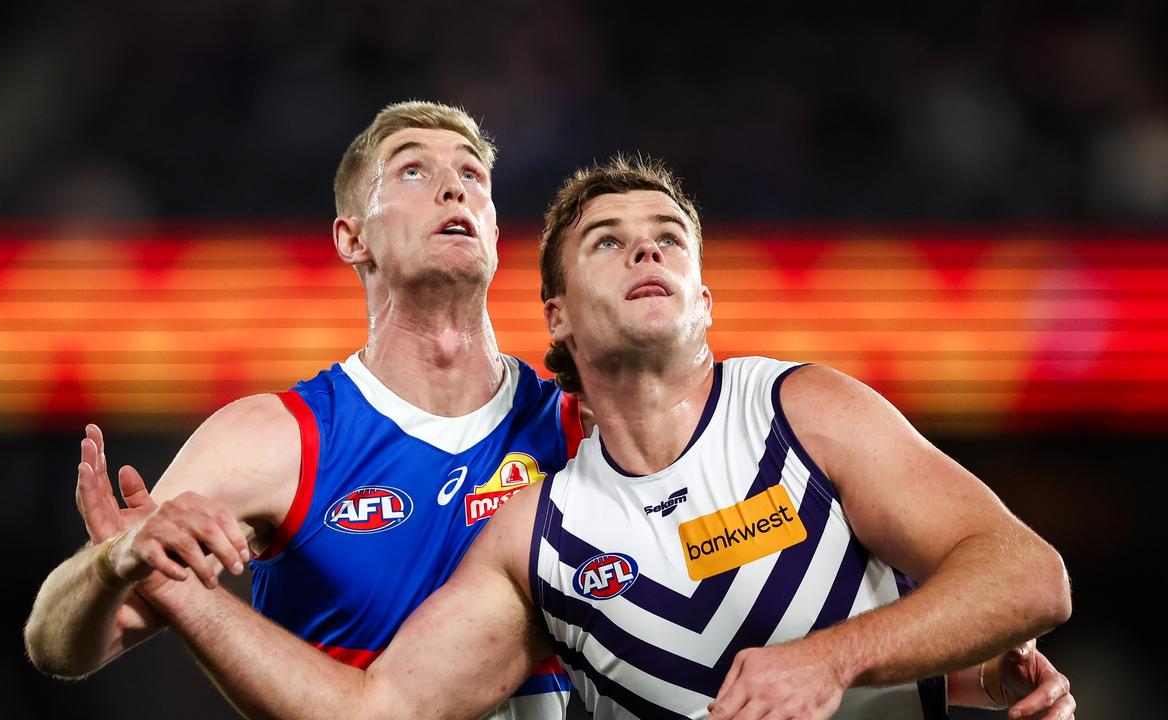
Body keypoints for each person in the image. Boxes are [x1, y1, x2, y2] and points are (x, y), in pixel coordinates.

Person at [84, 155, 1076, 720]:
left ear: (702, 297)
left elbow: (1026, 575)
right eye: (608, 239)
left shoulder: (803, 412)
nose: (644, 245)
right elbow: (372, 716)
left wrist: (846, 658)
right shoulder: (539, 534)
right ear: (555, 316)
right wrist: (184, 595)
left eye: (667, 236)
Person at [23, 101, 579, 718]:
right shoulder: (275, 439)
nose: (454, 187)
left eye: (473, 175)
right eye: (413, 172)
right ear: (352, 238)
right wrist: (108, 562)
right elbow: (55, 645)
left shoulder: (579, 424)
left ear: (496, 233)